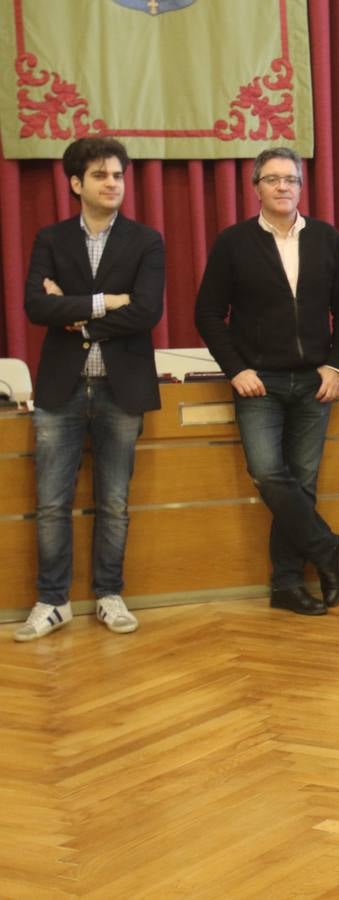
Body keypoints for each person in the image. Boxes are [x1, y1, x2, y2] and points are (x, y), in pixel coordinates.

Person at [194, 147, 339, 617]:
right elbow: (207, 313)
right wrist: (236, 369)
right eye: (272, 179)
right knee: (268, 473)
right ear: (256, 187)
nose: (283, 187)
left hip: (315, 381)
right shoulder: (233, 242)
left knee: (302, 484)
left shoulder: (326, 238)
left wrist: (337, 365)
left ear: (301, 187)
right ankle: (326, 546)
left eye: (291, 179)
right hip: (258, 383)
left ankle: (286, 583)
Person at [15, 137, 164, 642]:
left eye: (118, 175)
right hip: (61, 388)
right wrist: (105, 301)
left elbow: (146, 312)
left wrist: (76, 313)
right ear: (77, 183)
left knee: (115, 502)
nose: (112, 183)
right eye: (101, 175)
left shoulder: (145, 240)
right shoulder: (51, 240)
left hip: (121, 389)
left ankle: (108, 594)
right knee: (53, 502)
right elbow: (36, 307)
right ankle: (52, 601)